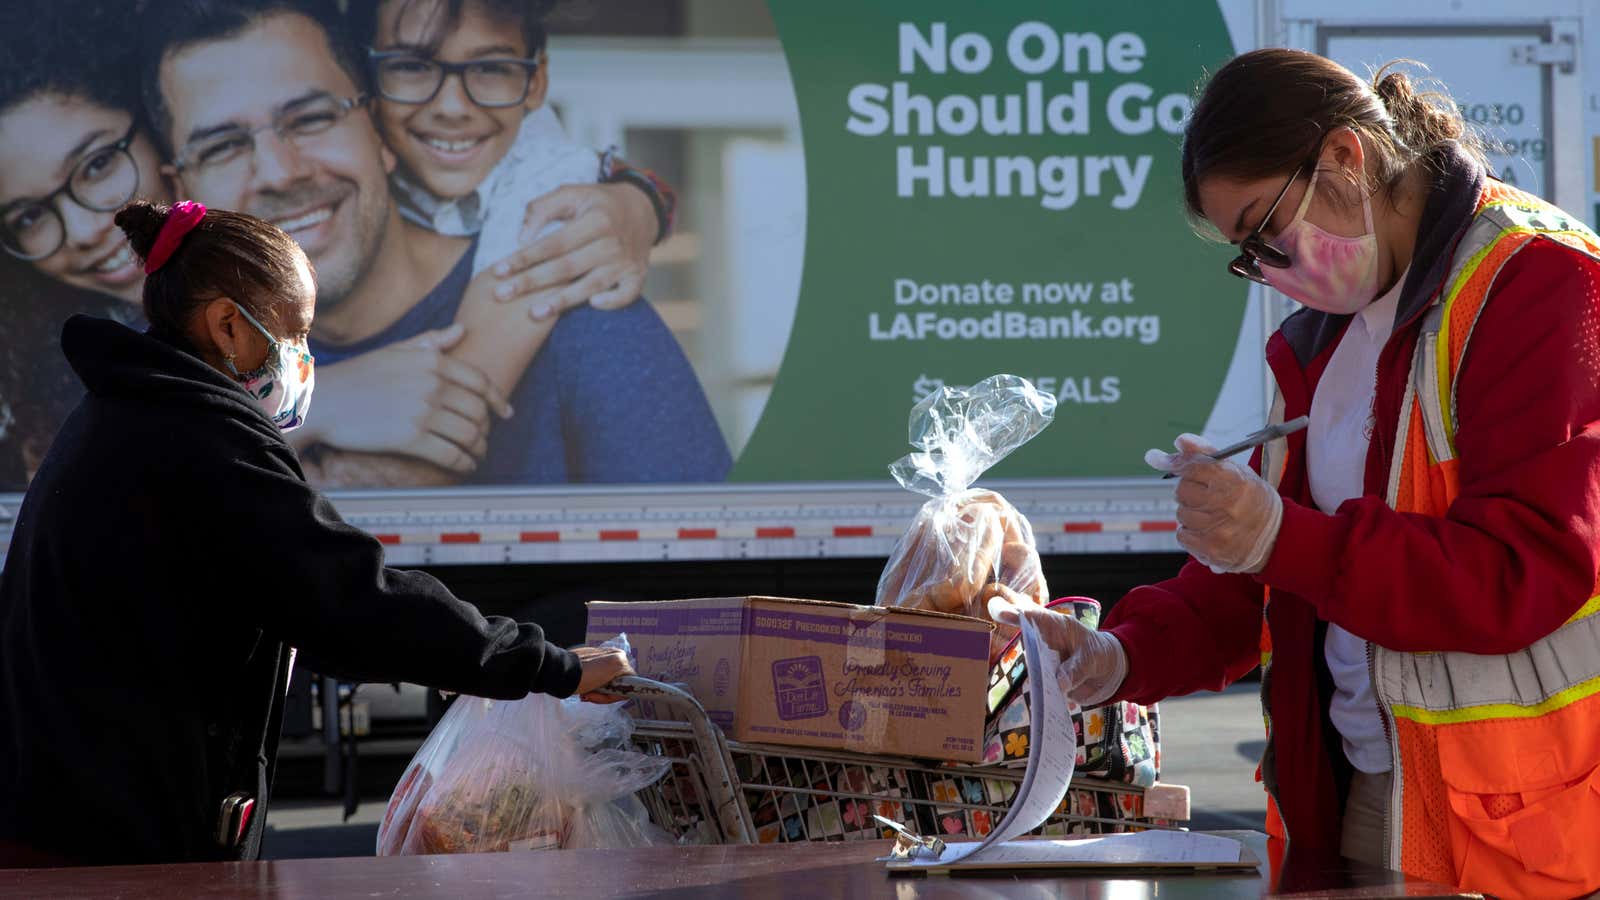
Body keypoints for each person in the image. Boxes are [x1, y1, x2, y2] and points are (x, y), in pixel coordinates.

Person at [993, 49, 1600, 898]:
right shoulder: (1322, 342)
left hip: (1508, 817)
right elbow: (1270, 588)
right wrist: (1119, 656)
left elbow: (1522, 569)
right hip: (1363, 789)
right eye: (1249, 254)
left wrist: (1280, 534)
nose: (1273, 268)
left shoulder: (1534, 281)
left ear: (1347, 158)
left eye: (1265, 229)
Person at [0, 199, 635, 868]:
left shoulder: (132, 410)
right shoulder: (199, 433)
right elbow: (346, 599)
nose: (301, 356)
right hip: (107, 843)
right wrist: (550, 667)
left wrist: (448, 655)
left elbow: (310, 604)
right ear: (226, 325)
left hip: (70, 816)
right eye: (295, 332)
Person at [142, 0, 732, 486]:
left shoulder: (566, 280)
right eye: (221, 146)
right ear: (178, 187)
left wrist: (642, 203)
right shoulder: (170, 353)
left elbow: (707, 590)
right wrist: (316, 409)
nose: (279, 171)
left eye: (312, 118)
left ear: (372, 125)